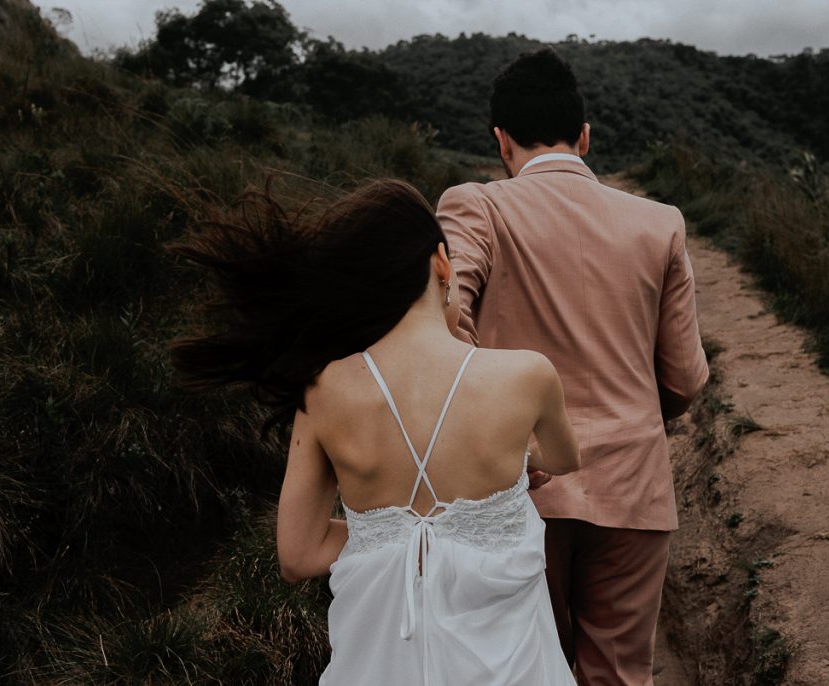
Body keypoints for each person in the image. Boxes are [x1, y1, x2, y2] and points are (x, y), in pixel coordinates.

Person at [169, 179, 581, 685]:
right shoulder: (526, 375)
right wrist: (519, 460)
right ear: (442, 263)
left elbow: (298, 556)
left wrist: (383, 533)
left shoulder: (322, 391)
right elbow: (564, 460)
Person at [436, 48, 710, 685]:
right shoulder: (660, 222)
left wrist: (507, 430)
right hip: (635, 488)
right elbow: (686, 379)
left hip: (517, 491)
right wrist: (636, 415)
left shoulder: (476, 207)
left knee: (521, 669)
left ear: (501, 141)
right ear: (585, 136)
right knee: (618, 675)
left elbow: (446, 322)